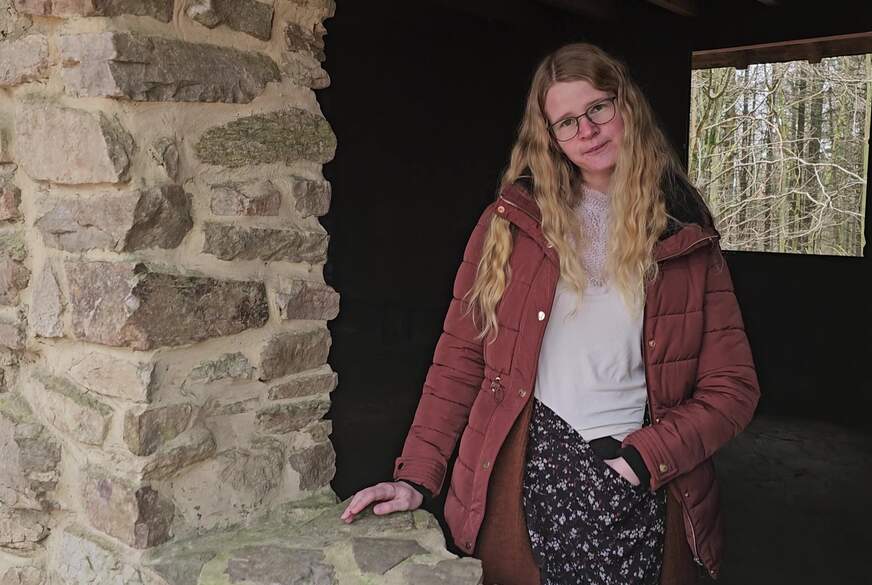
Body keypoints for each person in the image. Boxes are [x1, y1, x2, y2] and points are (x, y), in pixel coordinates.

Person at [340, 42, 760, 585]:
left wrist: (645, 457)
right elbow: (459, 360)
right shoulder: (512, 223)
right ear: (550, 137)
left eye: (597, 108)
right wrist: (416, 476)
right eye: (566, 122)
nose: (587, 130)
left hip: (640, 482)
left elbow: (733, 387)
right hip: (525, 477)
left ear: (625, 105)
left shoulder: (685, 235)